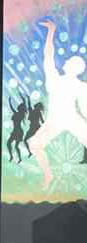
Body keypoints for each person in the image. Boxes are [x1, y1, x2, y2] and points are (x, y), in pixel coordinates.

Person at [28, 19, 87, 188]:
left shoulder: (76, 85)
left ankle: (48, 175)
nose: (66, 61)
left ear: (74, 67)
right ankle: (48, 175)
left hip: (68, 119)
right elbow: (48, 55)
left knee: (35, 145)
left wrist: (51, 32)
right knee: (34, 144)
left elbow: (48, 55)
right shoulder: (56, 79)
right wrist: (51, 33)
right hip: (55, 121)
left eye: (70, 61)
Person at [6, 95, 27, 163]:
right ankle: (12, 156)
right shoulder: (18, 113)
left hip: (18, 131)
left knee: (15, 146)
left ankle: (19, 158)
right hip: (15, 131)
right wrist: (10, 102)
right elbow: (12, 108)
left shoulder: (20, 114)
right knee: (9, 144)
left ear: (21, 108)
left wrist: (10, 102)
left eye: (20, 106)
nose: (18, 106)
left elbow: (12, 108)